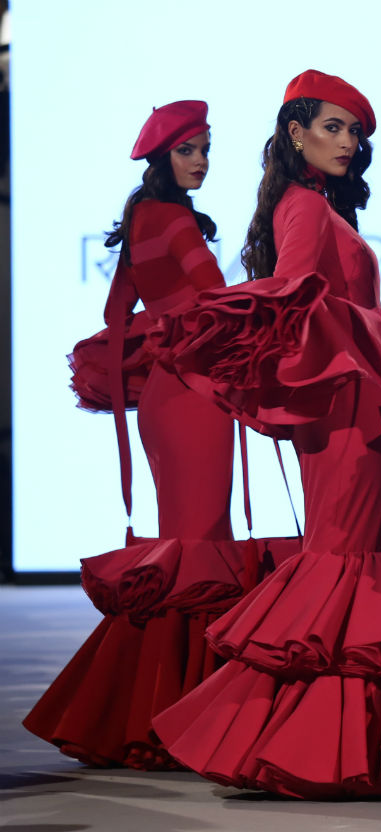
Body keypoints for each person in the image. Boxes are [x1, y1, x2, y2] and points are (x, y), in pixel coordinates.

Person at [150, 71, 381, 798]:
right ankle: (323, 743)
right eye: (334, 126)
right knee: (348, 563)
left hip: (352, 405)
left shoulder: (317, 203)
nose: (349, 141)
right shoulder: (303, 205)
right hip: (339, 412)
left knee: (358, 558)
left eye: (356, 131)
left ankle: (354, 737)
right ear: (295, 132)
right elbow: (295, 291)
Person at [23, 101, 285, 769]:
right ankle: (187, 716)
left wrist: (151, 346)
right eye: (190, 149)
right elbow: (219, 302)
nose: (201, 160)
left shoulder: (141, 217)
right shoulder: (174, 221)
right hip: (197, 397)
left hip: (164, 400)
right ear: (161, 156)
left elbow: (117, 313)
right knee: (200, 557)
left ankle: (151, 711)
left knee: (181, 552)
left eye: (205, 148)